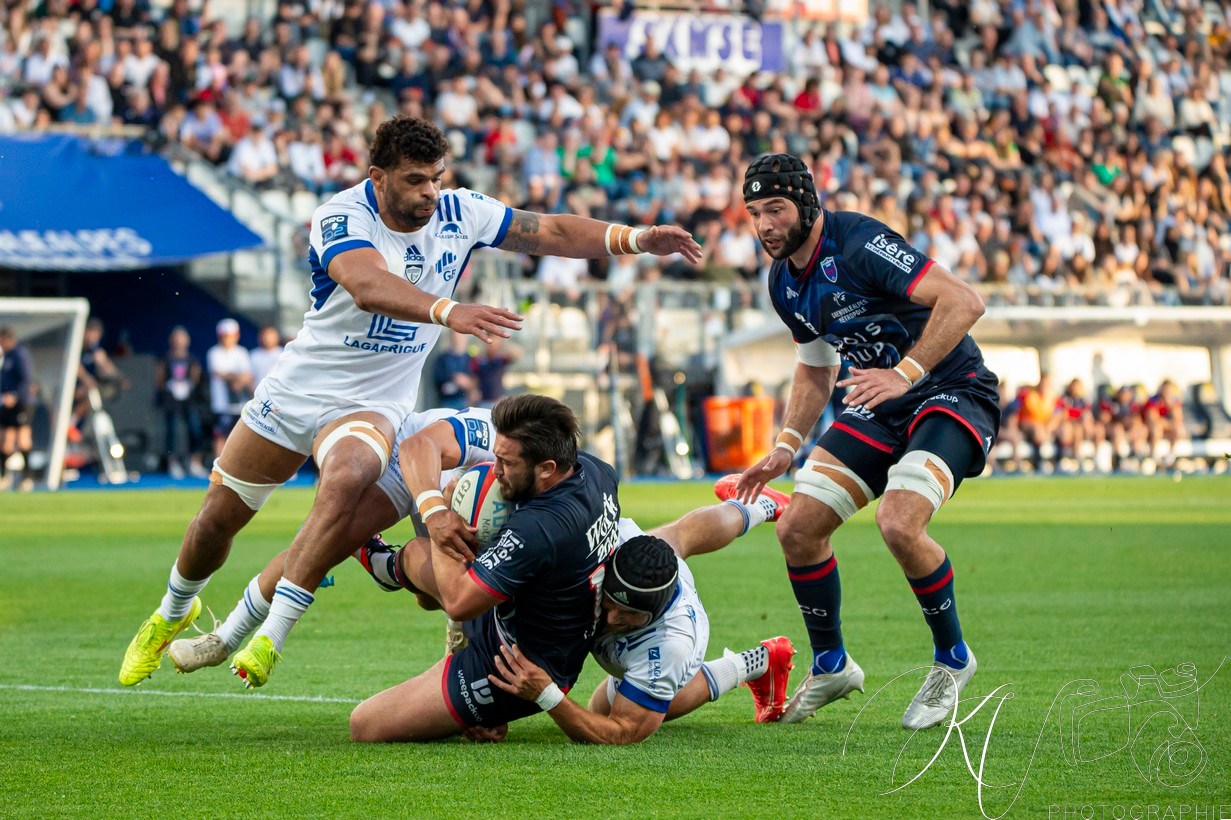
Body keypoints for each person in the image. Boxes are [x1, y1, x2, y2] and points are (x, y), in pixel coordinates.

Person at [119, 115, 701, 689]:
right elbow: (368, 285)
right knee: (215, 522)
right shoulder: (341, 216)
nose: (430, 192)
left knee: (346, 478)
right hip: (298, 388)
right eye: (416, 180)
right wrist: (451, 311)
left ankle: (272, 634)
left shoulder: (459, 212)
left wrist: (633, 239)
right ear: (378, 176)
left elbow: (546, 231)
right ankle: (174, 611)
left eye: (436, 178)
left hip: (374, 400)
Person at [726, 154, 999, 730]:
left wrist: (904, 373)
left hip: (952, 390)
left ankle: (953, 661)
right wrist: (787, 443)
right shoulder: (782, 281)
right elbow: (815, 367)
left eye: (775, 208)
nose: (765, 224)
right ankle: (830, 665)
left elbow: (965, 302)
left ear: (806, 203)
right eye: (754, 213)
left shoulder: (859, 242)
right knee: (797, 527)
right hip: (879, 402)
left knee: (900, 523)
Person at [347, 394, 622, 742]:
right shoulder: (596, 470)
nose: (495, 470)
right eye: (496, 457)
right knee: (420, 559)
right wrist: (433, 510)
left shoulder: (540, 529)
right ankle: (382, 564)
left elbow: (458, 600)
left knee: (366, 725)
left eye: (507, 463)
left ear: (546, 468)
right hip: (524, 607)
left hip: (516, 666)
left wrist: (449, 515)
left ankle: (484, 701)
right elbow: (417, 446)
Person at [166, 403, 499, 674]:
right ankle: (225, 638)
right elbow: (419, 446)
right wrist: (435, 508)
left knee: (432, 597)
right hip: (411, 463)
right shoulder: (496, 435)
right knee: (319, 548)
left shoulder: (545, 504)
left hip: (457, 507)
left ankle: (386, 567)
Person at [475, 487, 798, 744]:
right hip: (643, 555)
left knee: (604, 709)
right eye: (612, 604)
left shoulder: (671, 644)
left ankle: (753, 664)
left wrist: (547, 695)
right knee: (679, 535)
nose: (613, 620)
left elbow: (622, 731)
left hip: (673, 639)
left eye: (630, 615)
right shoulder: (612, 540)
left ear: (654, 614)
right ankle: (761, 504)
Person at [154, 326, 207, 480]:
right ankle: (173, 463)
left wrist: (188, 386)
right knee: (171, 431)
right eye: (176, 338)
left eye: (182, 338)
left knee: (194, 429)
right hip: (171, 400)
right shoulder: (166, 359)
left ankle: (194, 462)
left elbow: (196, 377)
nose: (179, 341)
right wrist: (170, 388)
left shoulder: (192, 360)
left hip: (188, 399)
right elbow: (160, 380)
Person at [205, 318, 253, 457]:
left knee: (242, 437)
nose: (227, 339)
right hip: (221, 404)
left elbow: (248, 375)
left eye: (230, 335)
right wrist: (236, 378)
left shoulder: (241, 352)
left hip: (240, 404)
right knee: (220, 435)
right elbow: (218, 373)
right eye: (224, 336)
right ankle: (219, 466)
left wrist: (236, 379)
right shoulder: (214, 352)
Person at [0, 327, 36, 491]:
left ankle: (27, 477)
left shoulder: (19, 354)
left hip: (22, 403)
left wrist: (15, 395)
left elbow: (26, 379)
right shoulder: (6, 355)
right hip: (8, 403)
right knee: (5, 441)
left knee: (22, 439)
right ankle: (3, 477)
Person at [431, 331, 475, 410]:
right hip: (447, 400)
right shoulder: (443, 358)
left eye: (460, 337)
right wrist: (454, 379)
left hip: (466, 400)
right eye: (455, 337)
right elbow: (437, 378)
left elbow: (477, 379)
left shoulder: (470, 358)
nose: (457, 340)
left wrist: (468, 382)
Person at [248, 325, 284, 390]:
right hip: (255, 395)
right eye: (265, 335)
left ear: (277, 337)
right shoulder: (253, 355)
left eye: (270, 335)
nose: (267, 338)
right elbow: (248, 377)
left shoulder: (284, 354)